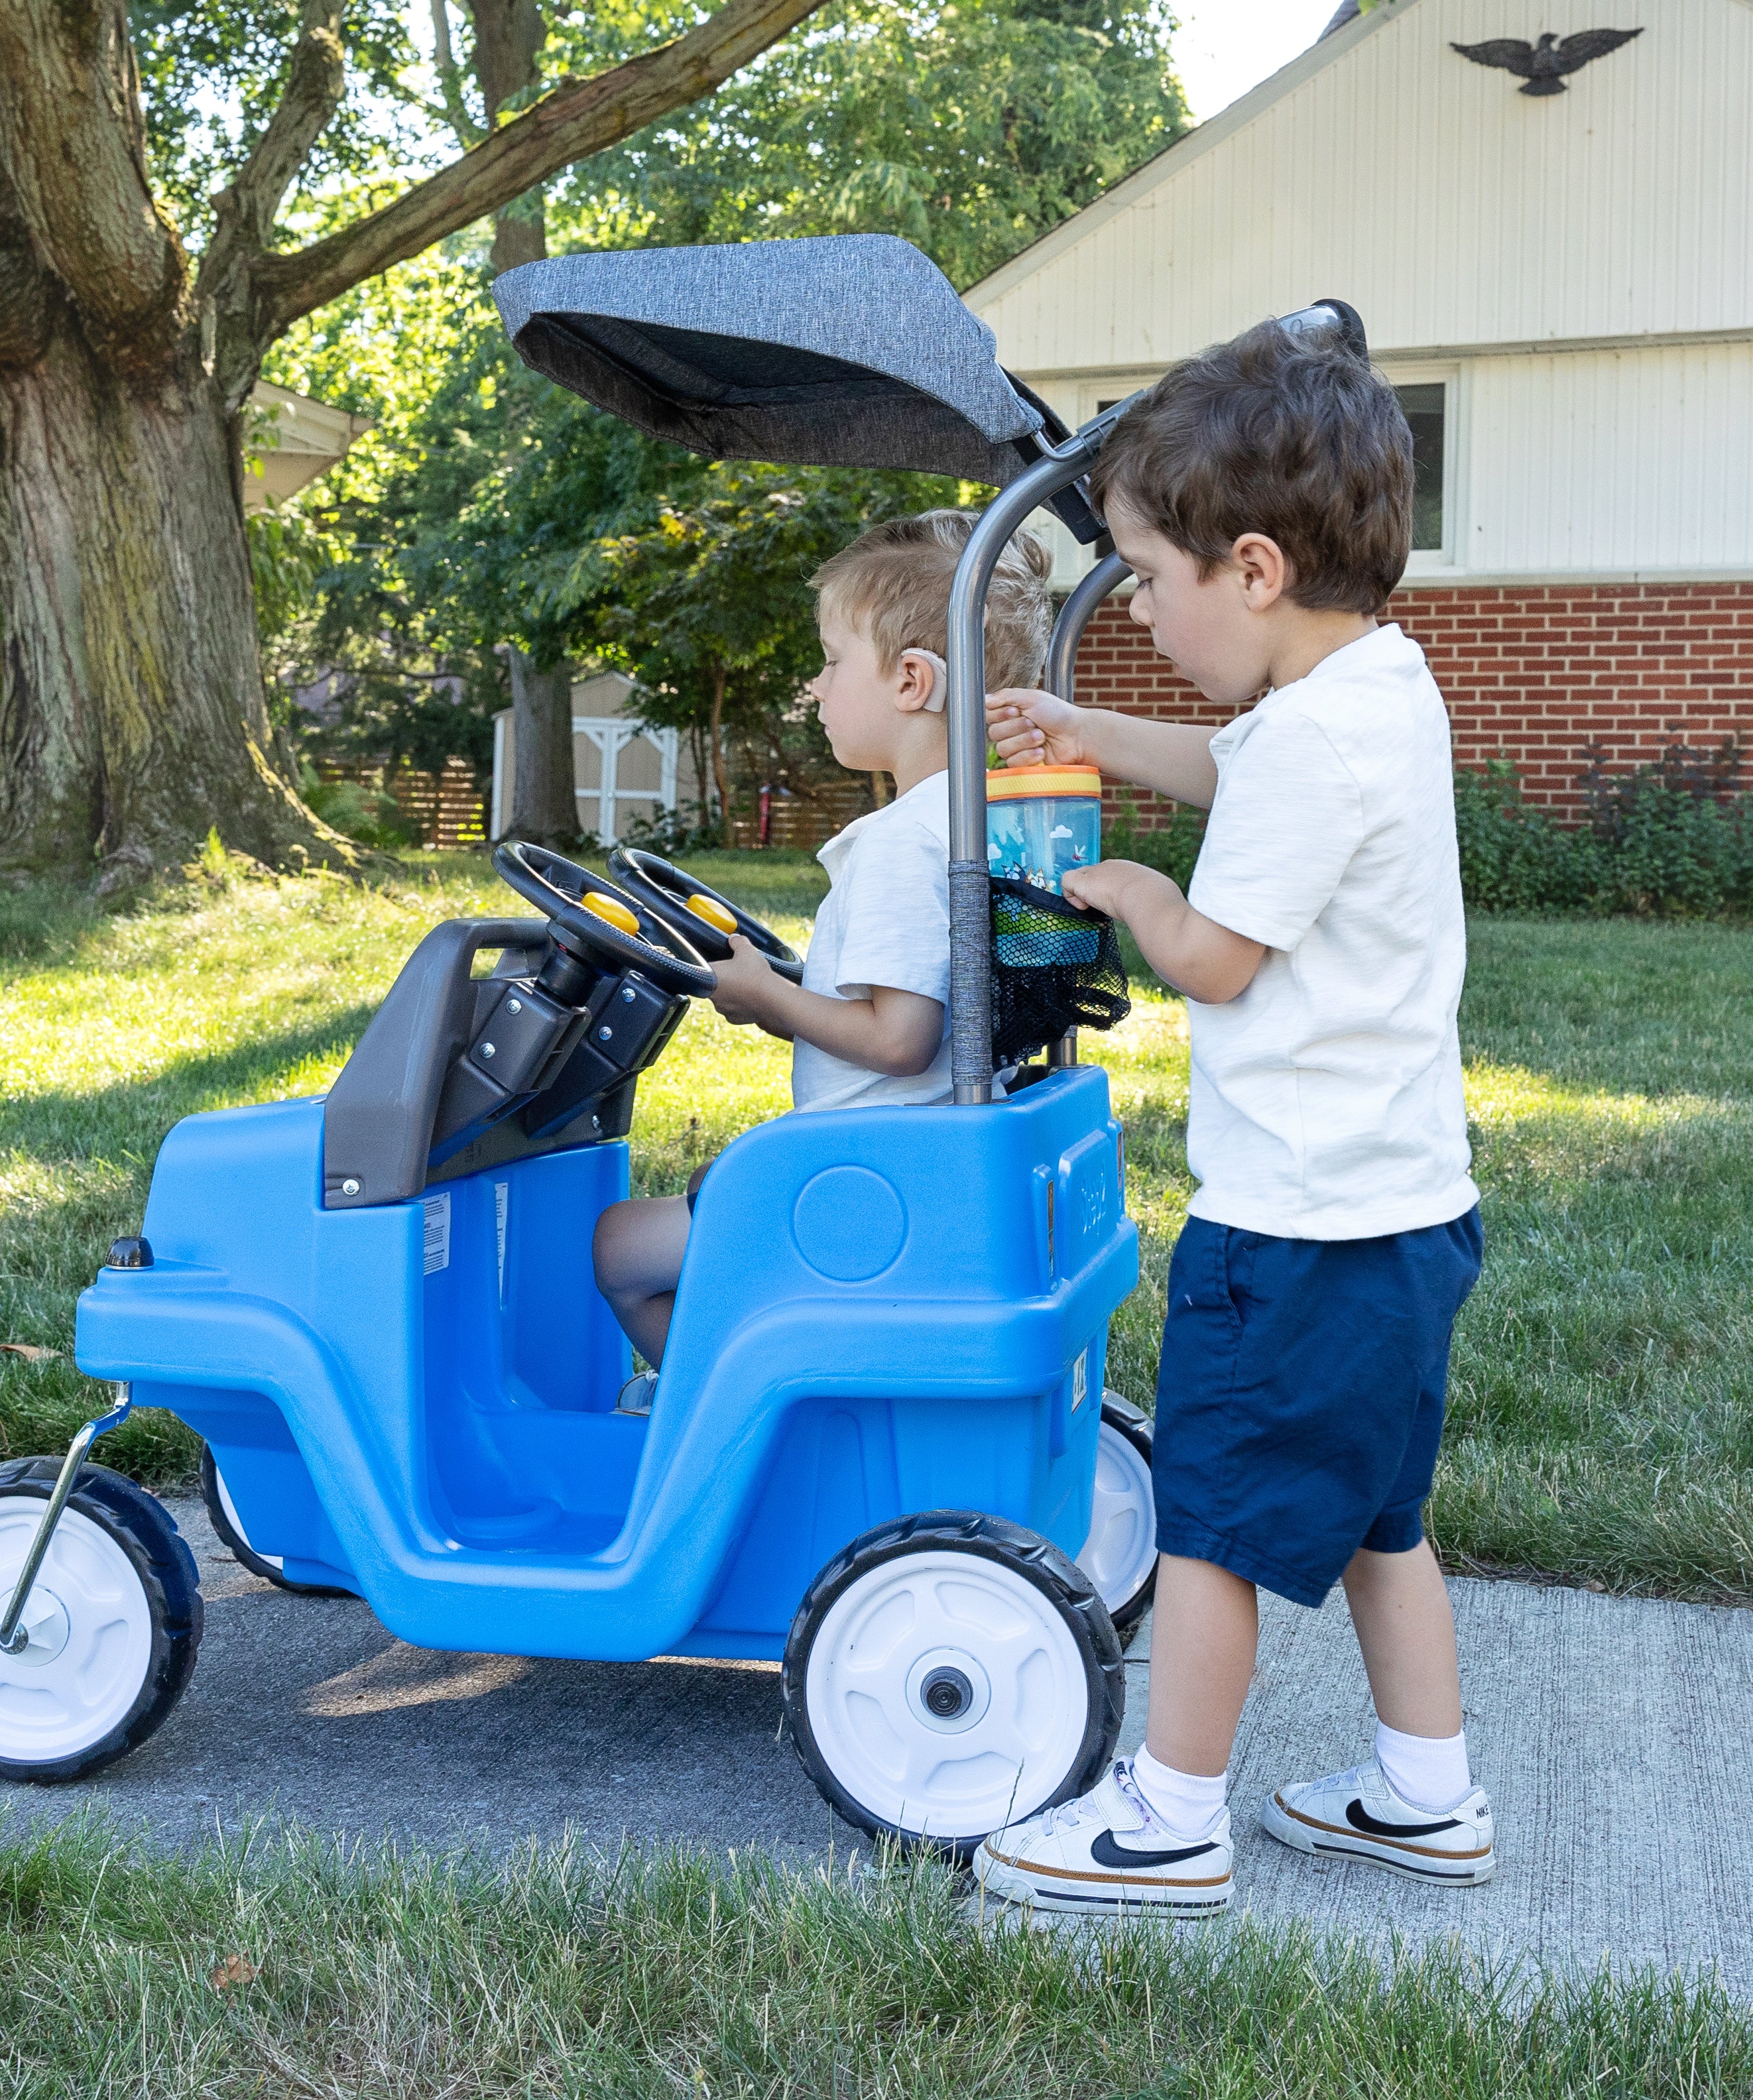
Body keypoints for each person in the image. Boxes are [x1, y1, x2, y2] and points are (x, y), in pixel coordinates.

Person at [971, 320, 1490, 1917]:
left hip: (1296, 1233)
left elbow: (1219, 959)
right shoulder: (1374, 685)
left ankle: (1167, 1821)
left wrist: (1130, 889)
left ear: (1253, 569)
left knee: (1205, 1522)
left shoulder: (1313, 744)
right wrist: (1089, 736)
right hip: (1404, 1216)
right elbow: (1228, 763)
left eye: (1145, 575)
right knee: (1382, 1523)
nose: (1133, 607)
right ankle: (1427, 1795)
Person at [591, 510, 1052, 1402]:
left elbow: (899, 1040)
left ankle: (730, 1419)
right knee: (711, 1187)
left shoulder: (902, 843)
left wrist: (768, 997)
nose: (816, 685)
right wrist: (787, 987)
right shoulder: (983, 822)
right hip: (927, 1166)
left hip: (873, 1184)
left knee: (618, 1249)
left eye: (833, 661)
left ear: (912, 680)